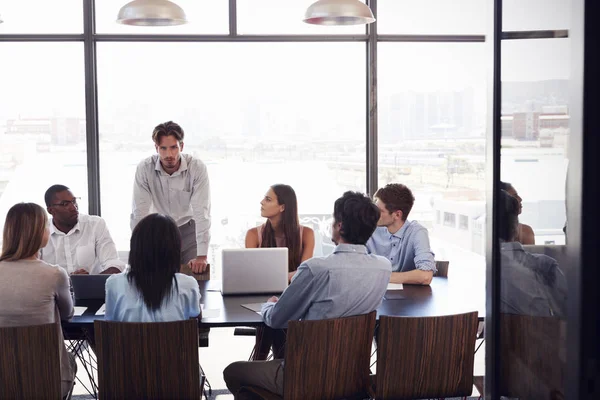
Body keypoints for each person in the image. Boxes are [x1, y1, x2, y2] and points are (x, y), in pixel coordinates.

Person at [223, 191, 392, 398]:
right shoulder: (384, 268)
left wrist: (269, 305)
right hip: (354, 375)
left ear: (339, 226)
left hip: (304, 375)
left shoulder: (316, 269)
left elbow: (277, 319)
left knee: (233, 371)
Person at [0, 203, 76, 399]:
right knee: (70, 360)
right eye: (45, 226)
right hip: (47, 379)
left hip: (4, 380)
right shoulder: (54, 274)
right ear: (37, 233)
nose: (49, 230)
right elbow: (68, 314)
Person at [245, 184, 315, 360]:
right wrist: (289, 276)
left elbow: (304, 273)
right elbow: (252, 275)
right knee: (273, 320)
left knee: (274, 321)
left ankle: (264, 366)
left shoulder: (306, 234)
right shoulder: (253, 234)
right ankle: (279, 368)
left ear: (283, 207)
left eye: (268, 199)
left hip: (293, 299)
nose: (261, 202)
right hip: (262, 300)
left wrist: (282, 278)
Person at [131, 121, 211, 274]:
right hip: (158, 233)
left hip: (189, 232)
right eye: (163, 148)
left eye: (173, 147)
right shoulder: (144, 169)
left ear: (181, 146)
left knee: (196, 278)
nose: (169, 155)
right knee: (156, 282)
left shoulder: (197, 168)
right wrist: (138, 252)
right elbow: (139, 212)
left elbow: (202, 212)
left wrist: (202, 255)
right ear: (156, 148)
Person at [105, 213, 201, 322]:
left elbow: (110, 320)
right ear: (174, 249)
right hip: (173, 339)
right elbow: (195, 316)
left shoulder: (113, 283)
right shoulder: (188, 284)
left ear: (135, 246)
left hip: (127, 339)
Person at [499, 190, 567, 318]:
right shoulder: (546, 267)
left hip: (500, 337)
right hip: (543, 335)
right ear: (515, 228)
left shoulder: (487, 271)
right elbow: (570, 312)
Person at [41, 184, 124, 275]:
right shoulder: (40, 231)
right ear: (50, 210)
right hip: (54, 289)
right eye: (65, 204)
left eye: (74, 201)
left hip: (92, 288)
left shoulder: (95, 224)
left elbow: (113, 263)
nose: (73, 207)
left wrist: (88, 282)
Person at [366, 183, 436, 285]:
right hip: (373, 295)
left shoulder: (417, 233)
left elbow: (426, 276)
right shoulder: (369, 228)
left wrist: (382, 276)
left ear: (397, 215)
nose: (374, 214)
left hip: (409, 298)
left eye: (380, 211)